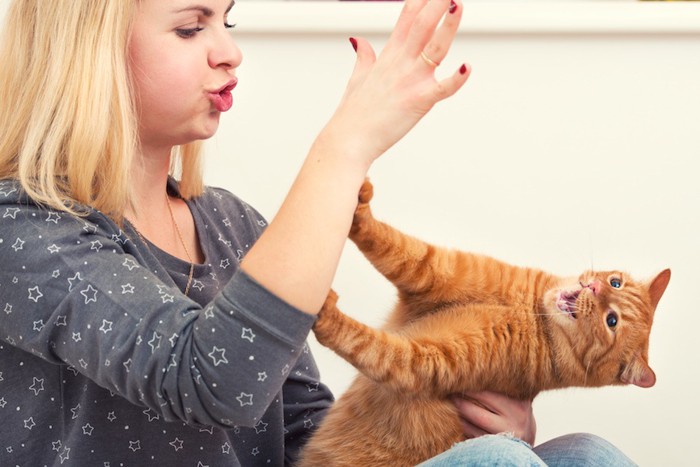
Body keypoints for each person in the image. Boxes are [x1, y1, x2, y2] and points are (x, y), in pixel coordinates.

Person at [0, 0, 637, 465]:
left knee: (584, 455)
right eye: (191, 27)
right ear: (88, 52)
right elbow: (207, 380)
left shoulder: (231, 224)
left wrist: (460, 425)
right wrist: (344, 146)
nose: (229, 50)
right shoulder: (23, 227)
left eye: (228, 21)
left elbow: (304, 432)